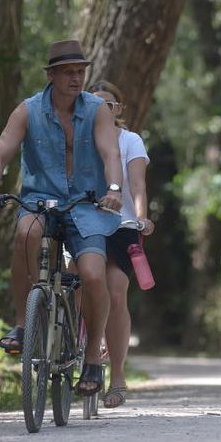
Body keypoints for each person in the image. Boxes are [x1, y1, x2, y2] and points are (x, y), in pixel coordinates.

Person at [0, 40, 123, 397]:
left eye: (81, 72)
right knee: (24, 234)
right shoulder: (27, 111)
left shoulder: (96, 110)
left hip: (87, 204)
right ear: (52, 75)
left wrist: (115, 188)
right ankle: (22, 324)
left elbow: (110, 153)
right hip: (40, 201)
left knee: (91, 273)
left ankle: (91, 361)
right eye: (69, 72)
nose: (77, 78)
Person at [88, 80, 155, 409]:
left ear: (119, 110)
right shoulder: (80, 138)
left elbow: (138, 185)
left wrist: (142, 217)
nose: (102, 109)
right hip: (83, 222)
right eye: (95, 103)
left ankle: (116, 376)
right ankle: (77, 350)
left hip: (121, 225)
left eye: (108, 104)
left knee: (115, 289)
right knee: (79, 281)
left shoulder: (130, 141)